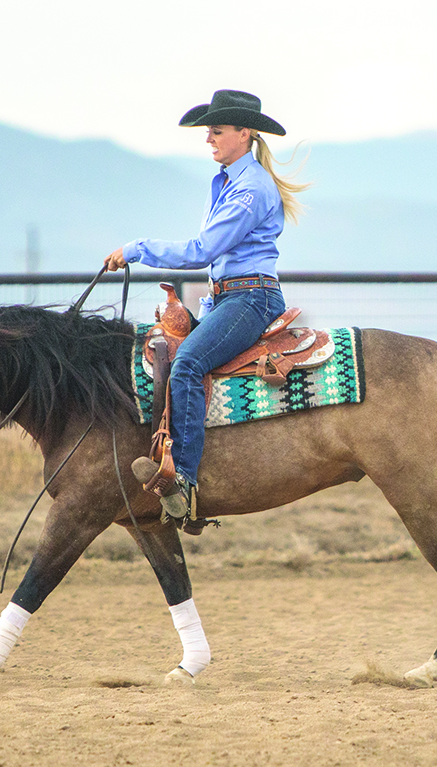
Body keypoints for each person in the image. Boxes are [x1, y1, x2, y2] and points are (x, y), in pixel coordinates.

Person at [104, 89, 307, 520]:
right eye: (208, 131)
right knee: (165, 350)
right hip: (228, 297)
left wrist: (137, 248)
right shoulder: (229, 182)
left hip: (250, 298)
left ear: (244, 133)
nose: (208, 138)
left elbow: (203, 250)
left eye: (216, 130)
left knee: (188, 364)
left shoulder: (250, 189)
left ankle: (182, 481)